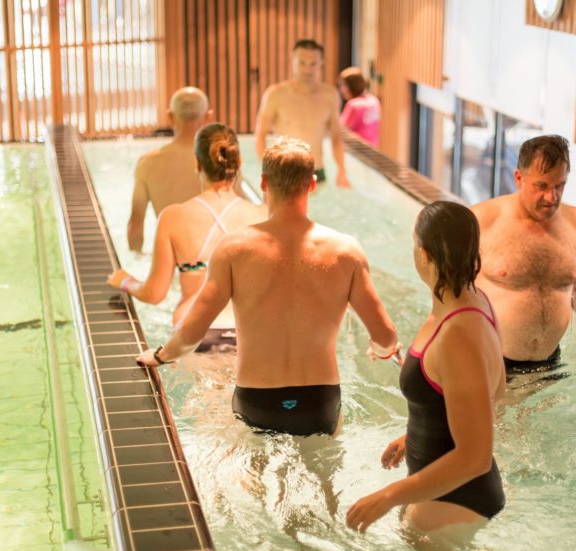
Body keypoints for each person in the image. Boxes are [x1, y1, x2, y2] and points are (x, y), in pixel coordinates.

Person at [136, 137, 398, 436]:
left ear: (262, 183)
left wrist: (159, 356)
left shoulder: (233, 249)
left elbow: (192, 330)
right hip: (320, 401)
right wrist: (382, 350)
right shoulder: (346, 251)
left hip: (256, 398)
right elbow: (385, 335)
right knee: (326, 479)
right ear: (312, 184)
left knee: (254, 477)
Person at [346, 202, 505, 535]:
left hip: (456, 503)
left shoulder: (458, 334)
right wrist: (416, 436)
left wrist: (386, 497)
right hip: (446, 496)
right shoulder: (475, 302)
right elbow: (494, 391)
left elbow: (475, 457)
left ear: (425, 255)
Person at [108, 123, 266, 344]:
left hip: (197, 332)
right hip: (251, 333)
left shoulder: (173, 217)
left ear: (197, 164)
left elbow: (155, 293)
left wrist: (125, 281)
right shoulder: (263, 215)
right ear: (238, 163)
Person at [471, 134, 576, 374]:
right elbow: (450, 290)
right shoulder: (482, 220)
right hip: (491, 363)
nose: (551, 197)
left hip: (550, 365)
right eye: (541, 186)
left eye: (559, 186)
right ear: (519, 178)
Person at [254, 39, 350, 187]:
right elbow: (260, 135)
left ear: (321, 63)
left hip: (317, 171)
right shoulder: (275, 95)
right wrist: (266, 171)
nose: (307, 69)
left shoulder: (330, 95)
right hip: (285, 172)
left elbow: (336, 137)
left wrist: (341, 170)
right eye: (302, 63)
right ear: (292, 61)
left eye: (313, 63)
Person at [127, 87, 212, 251]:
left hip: (169, 260)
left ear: (171, 117)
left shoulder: (147, 164)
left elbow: (136, 226)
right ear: (208, 117)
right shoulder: (220, 161)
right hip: (210, 259)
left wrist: (137, 260)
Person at [338, 66, 381, 147]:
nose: (341, 90)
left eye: (343, 85)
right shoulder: (374, 101)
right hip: (372, 150)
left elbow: (340, 131)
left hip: (357, 151)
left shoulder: (354, 105)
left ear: (351, 85)